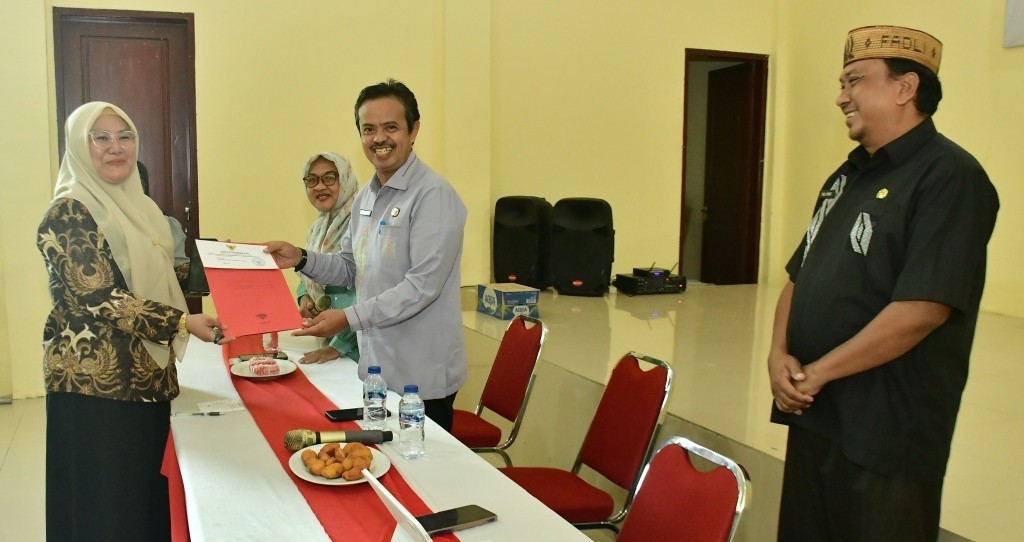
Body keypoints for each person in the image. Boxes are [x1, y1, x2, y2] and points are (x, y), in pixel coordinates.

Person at [767, 26, 999, 541]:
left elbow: (924, 308)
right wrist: (778, 353)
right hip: (817, 415)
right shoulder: (846, 176)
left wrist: (818, 372)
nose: (841, 97)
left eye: (855, 80)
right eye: (842, 83)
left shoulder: (950, 177)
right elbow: (799, 275)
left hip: (889, 429)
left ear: (905, 88)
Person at [37, 101, 231, 541]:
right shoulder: (67, 214)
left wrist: (229, 263)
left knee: (142, 497)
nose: (116, 147)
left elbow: (163, 272)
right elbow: (101, 296)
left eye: (125, 136)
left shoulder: (141, 209)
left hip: (147, 379)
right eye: (101, 137)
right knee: (107, 505)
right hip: (96, 388)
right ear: (79, 145)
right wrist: (182, 323)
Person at [266, 79, 468, 432]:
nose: (379, 138)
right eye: (369, 129)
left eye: (391, 127)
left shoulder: (433, 196)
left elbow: (422, 286)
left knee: (419, 465)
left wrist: (348, 317)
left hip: (420, 379)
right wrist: (301, 258)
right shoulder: (366, 198)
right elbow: (350, 266)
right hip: (376, 371)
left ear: (414, 130)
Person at [294, 151, 360, 364]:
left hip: (357, 347)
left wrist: (339, 345)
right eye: (312, 180)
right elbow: (307, 271)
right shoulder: (318, 228)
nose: (320, 187)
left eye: (330, 178)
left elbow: (370, 289)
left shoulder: (363, 223)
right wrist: (305, 296)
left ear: (346, 180)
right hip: (327, 340)